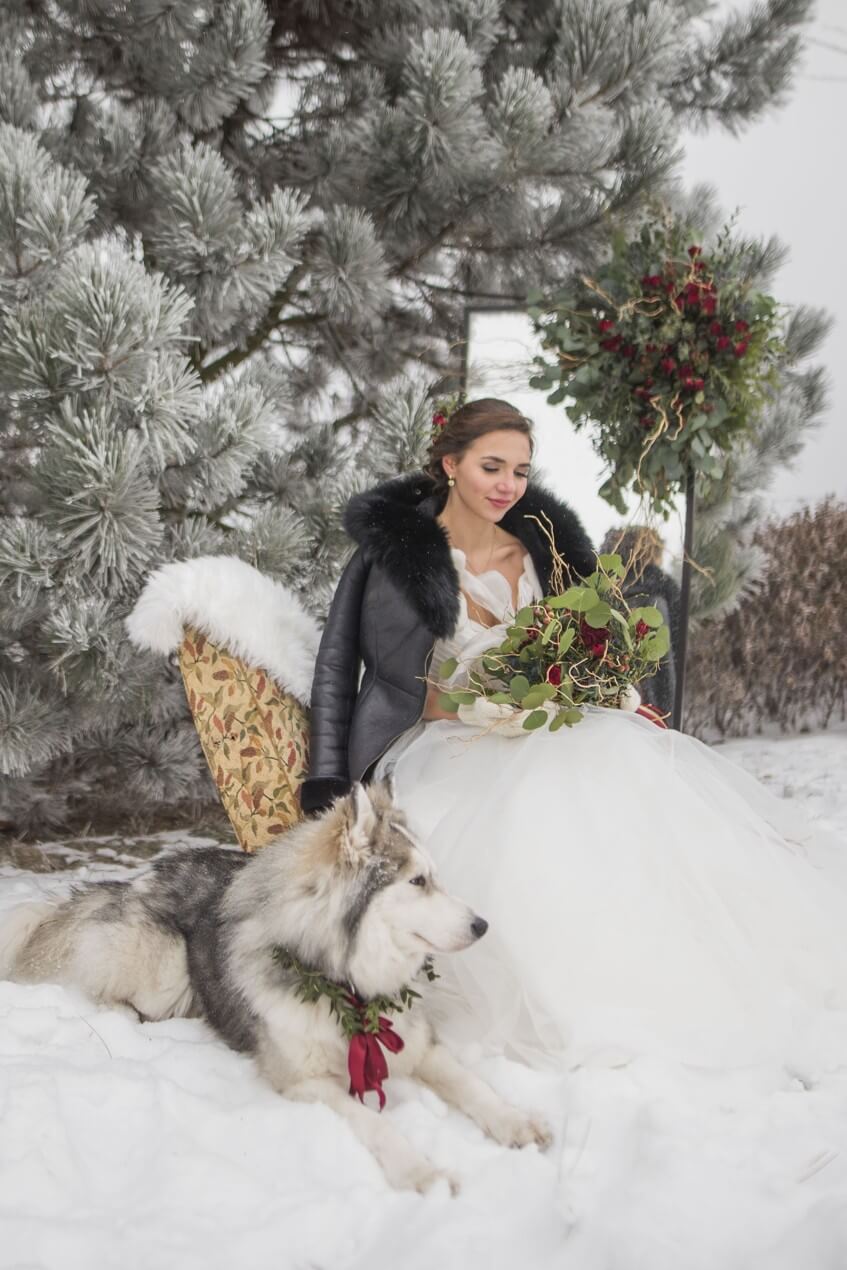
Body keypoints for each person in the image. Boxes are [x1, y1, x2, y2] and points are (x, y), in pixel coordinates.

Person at [301, 398, 847, 1071]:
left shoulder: (541, 547)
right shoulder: (388, 556)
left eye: (520, 471)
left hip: (544, 727)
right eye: (490, 466)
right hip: (438, 741)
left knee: (620, 771)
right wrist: (327, 778)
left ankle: (662, 979)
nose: (507, 484)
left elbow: (587, 645)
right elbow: (335, 665)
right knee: (531, 807)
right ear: (449, 464)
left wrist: (617, 693)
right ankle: (560, 992)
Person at [599, 524, 681, 719]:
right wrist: (663, 720)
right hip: (643, 717)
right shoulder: (654, 603)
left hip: (605, 713)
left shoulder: (602, 597)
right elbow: (661, 672)